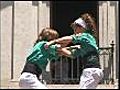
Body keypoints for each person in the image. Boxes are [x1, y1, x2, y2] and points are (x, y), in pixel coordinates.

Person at [45, 13, 103, 89]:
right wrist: (60, 50)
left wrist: (52, 42)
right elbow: (72, 54)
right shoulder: (85, 44)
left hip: (91, 71)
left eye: (76, 28)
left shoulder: (86, 36)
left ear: (82, 28)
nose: (74, 30)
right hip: (92, 71)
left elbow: (70, 38)